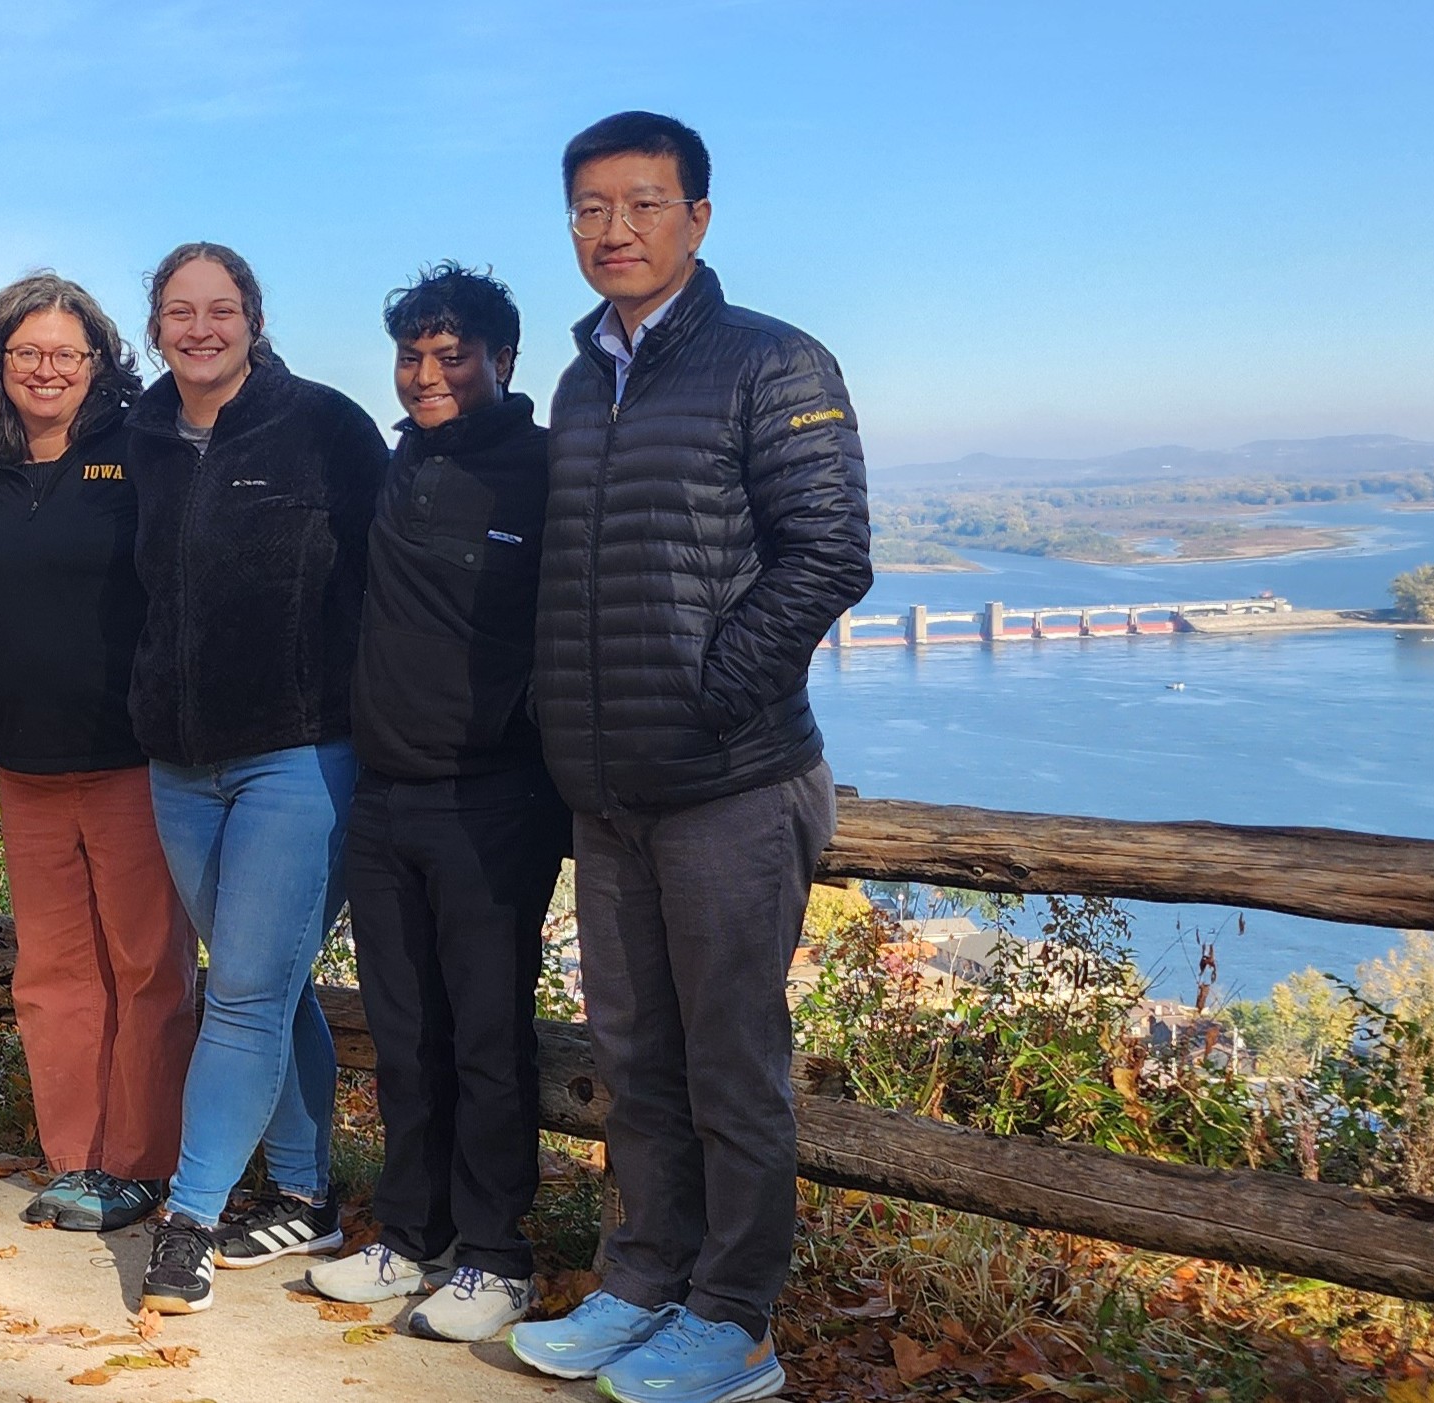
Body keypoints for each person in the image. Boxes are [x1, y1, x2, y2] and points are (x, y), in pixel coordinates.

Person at [507, 113, 872, 1403]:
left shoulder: (771, 362)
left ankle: (738, 1319)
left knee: (729, 1060)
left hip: (727, 777)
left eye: (643, 204)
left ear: (697, 219)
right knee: (637, 1054)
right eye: (589, 209)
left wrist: (708, 698)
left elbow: (828, 551)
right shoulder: (578, 380)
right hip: (605, 790)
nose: (613, 229)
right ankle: (640, 1278)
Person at [304, 264, 568, 1342]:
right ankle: (413, 1237)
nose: (426, 373)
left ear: (504, 359)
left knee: (489, 1037)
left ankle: (499, 1255)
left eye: (451, 352)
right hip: (386, 791)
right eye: (412, 354)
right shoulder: (397, 463)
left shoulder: (548, 471)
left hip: (495, 797)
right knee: (407, 1034)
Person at [126, 243, 389, 1315]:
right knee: (263, 983)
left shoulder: (325, 427)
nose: (200, 328)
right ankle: (303, 1194)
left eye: (220, 309)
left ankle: (187, 1219)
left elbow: (388, 581)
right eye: (180, 311)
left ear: (252, 318)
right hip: (178, 763)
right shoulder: (135, 435)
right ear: (155, 327)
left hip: (299, 749)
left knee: (236, 990)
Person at [0, 273, 197, 1233]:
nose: (46, 368)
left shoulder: (139, 454)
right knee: (51, 970)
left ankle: (139, 1162)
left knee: (148, 966)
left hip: (134, 758)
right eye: (27, 353)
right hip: (26, 762)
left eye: (66, 351)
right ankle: (75, 1157)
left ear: (98, 362)